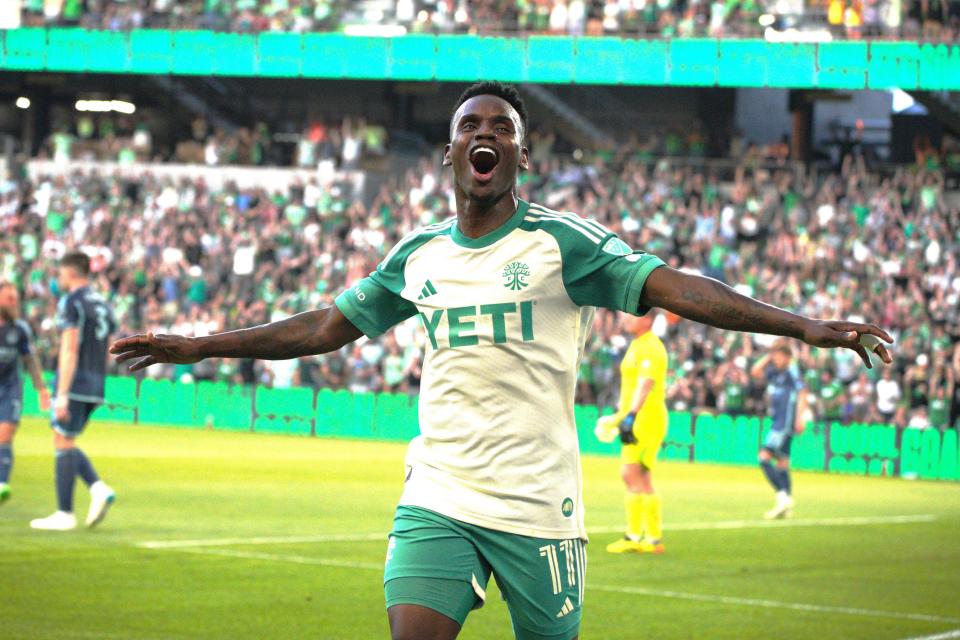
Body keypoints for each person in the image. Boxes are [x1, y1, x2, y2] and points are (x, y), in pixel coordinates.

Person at [111, 81, 893, 640]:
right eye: (469, 125)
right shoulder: (416, 256)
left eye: (503, 127)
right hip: (439, 491)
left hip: (536, 503)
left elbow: (679, 288)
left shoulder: (562, 244)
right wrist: (200, 344)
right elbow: (324, 327)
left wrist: (803, 326)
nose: (485, 134)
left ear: (521, 153)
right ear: (451, 152)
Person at [30, 252, 117, 531]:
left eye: (60, 274)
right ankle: (97, 488)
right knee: (64, 439)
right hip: (96, 382)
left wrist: (63, 393)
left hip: (75, 381)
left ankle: (65, 512)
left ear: (69, 273)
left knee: (63, 440)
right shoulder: (103, 303)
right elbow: (108, 345)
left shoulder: (72, 302)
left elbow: (69, 347)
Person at [603, 311, 669, 555]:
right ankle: (652, 539)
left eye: (631, 315)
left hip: (645, 419)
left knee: (630, 474)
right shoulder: (638, 345)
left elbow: (646, 383)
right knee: (642, 477)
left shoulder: (650, 346)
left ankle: (633, 536)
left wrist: (630, 415)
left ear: (647, 320)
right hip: (641, 417)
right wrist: (620, 416)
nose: (626, 318)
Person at [0, 282, 51, 504]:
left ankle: (2, 483)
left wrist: (41, 389)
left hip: (10, 388)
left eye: (16, 299)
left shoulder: (20, 329)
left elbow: (30, 360)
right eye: (9, 298)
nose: (14, 302)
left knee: (6, 433)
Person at [750, 340, 809, 520]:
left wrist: (800, 418)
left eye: (777, 355)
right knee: (782, 462)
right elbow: (755, 372)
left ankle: (782, 497)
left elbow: (803, 393)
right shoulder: (776, 372)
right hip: (778, 421)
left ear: (787, 356)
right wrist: (769, 356)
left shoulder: (792, 371)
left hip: (783, 424)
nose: (775, 359)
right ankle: (786, 505)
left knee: (763, 457)